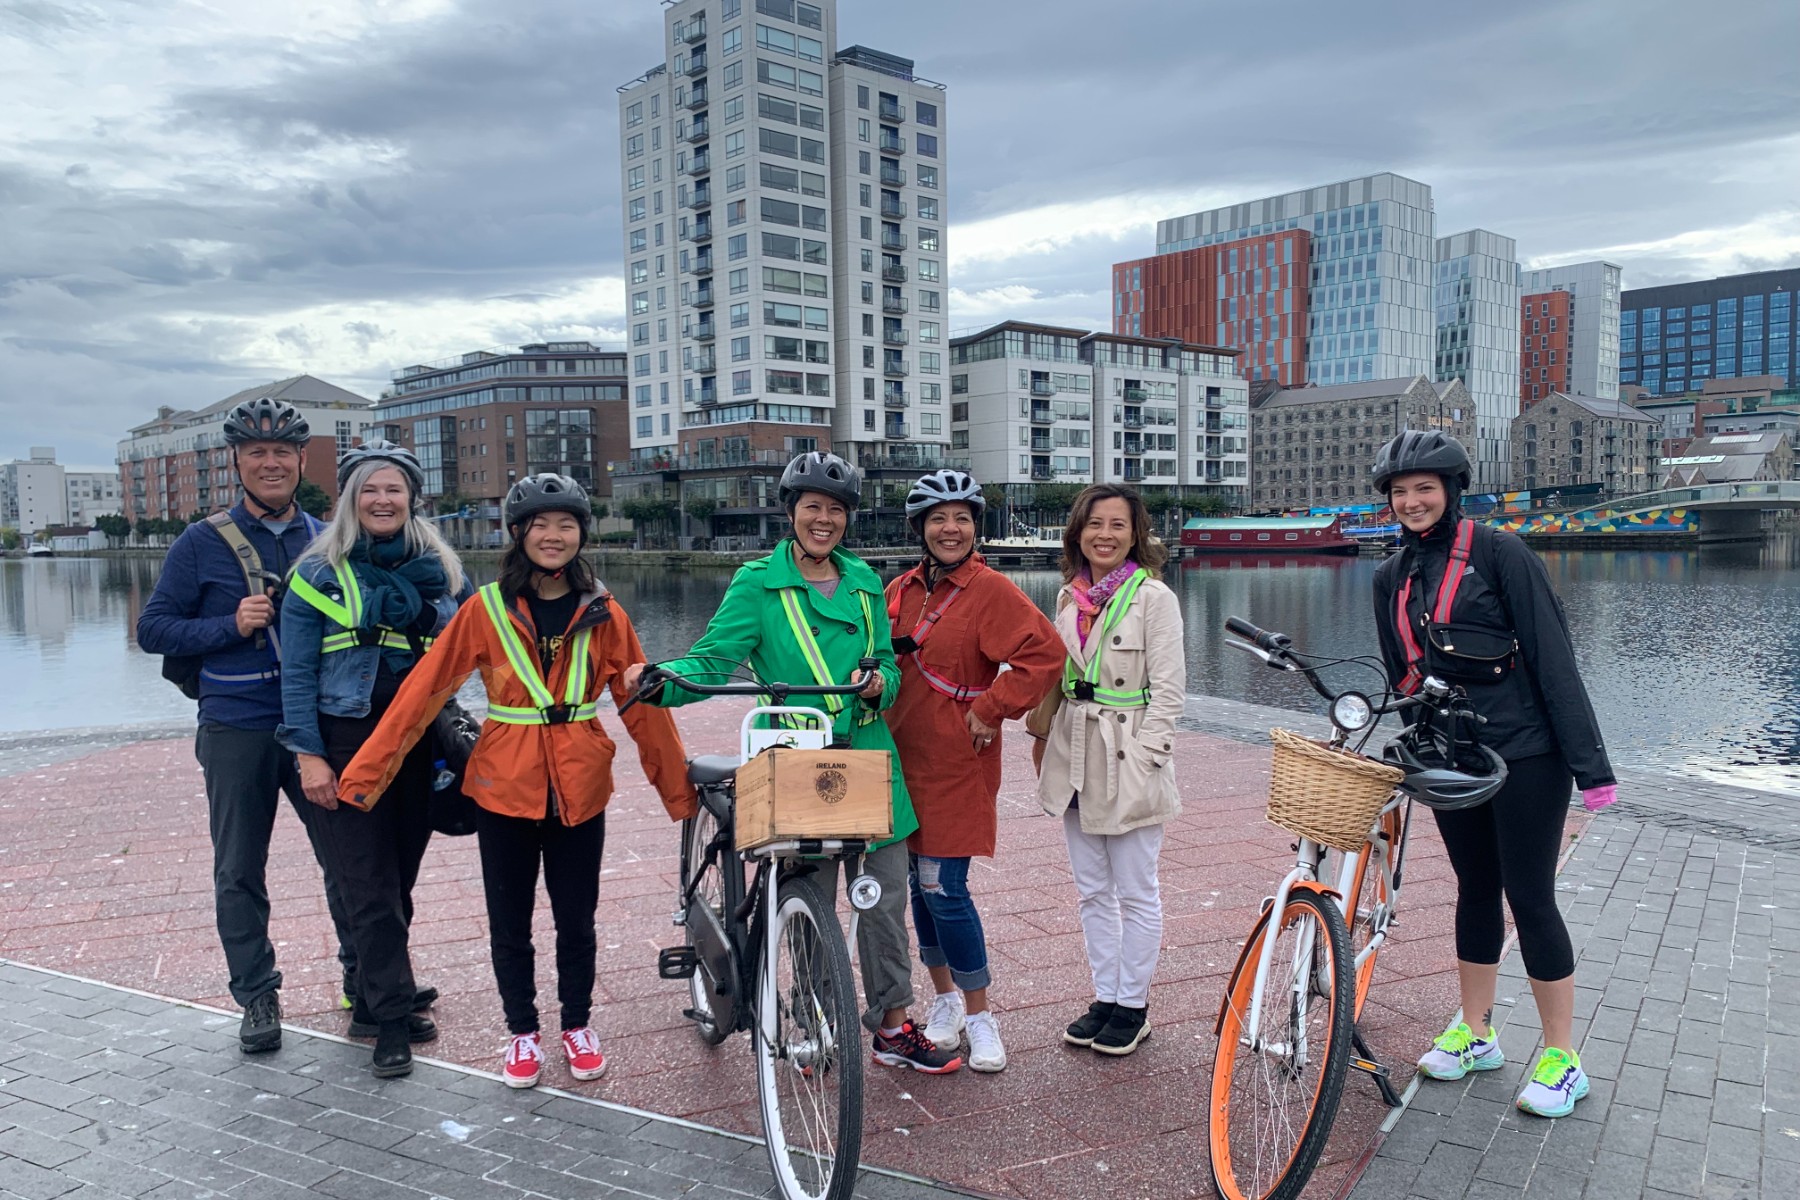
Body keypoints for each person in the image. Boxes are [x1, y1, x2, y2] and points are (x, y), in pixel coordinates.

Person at [339, 472, 695, 1088]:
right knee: (510, 920)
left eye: (566, 524)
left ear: (582, 534)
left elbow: (641, 704)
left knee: (576, 917)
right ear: (518, 533)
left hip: (581, 788)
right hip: (503, 786)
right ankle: (522, 1032)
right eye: (540, 525)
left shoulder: (605, 611)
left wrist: (678, 790)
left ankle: (577, 1025)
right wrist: (365, 776)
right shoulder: (485, 609)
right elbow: (424, 694)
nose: (553, 536)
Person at [623, 450, 961, 1074]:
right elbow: (714, 659)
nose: (824, 519)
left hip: (867, 754)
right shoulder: (758, 583)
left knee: (885, 901)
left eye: (836, 509)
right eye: (813, 507)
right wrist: (661, 678)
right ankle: (813, 1020)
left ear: (847, 518)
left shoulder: (863, 582)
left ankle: (890, 1023)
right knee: (808, 901)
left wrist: (877, 684)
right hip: (797, 756)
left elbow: (887, 663)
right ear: (791, 513)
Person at [1370, 431, 1615, 1119]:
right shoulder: (1389, 575)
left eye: (1425, 488)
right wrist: (1407, 753)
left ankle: (1563, 1057)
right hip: (1452, 758)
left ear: (1451, 490)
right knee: (1475, 888)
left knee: (1530, 896)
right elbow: (1403, 677)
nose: (1412, 501)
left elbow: (1552, 655)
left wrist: (1589, 765)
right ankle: (1477, 1033)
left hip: (1528, 754)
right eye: (1400, 491)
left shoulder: (1498, 552)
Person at [136, 397, 362, 1054]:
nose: (270, 463)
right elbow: (153, 629)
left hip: (313, 729)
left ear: (300, 461)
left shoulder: (328, 539)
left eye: (282, 452)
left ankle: (364, 977)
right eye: (257, 452)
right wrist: (228, 624)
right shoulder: (200, 541)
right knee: (239, 867)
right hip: (236, 726)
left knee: (348, 858)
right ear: (236, 460)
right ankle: (257, 993)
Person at [276, 441, 470, 1077]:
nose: (382, 500)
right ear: (350, 502)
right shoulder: (317, 575)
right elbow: (296, 676)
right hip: (344, 743)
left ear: (413, 498)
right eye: (369, 490)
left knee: (399, 880)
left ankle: (369, 993)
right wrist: (309, 757)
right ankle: (388, 1019)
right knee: (368, 884)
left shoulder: (444, 573)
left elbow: (481, 650)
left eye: (394, 489)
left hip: (417, 745)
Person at [883, 469, 1063, 1072]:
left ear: (975, 526)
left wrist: (991, 708)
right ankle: (944, 1003)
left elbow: (1045, 656)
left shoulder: (990, 590)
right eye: (938, 518)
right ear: (920, 528)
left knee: (945, 889)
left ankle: (982, 1017)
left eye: (962, 517)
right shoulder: (899, 590)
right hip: (898, 757)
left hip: (957, 760)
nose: (950, 528)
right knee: (917, 886)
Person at [1028, 484, 1184, 1057]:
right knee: (1093, 891)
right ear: (1078, 533)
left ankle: (1134, 1005)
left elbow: (1169, 693)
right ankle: (1106, 997)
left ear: (1135, 534)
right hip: (1075, 755)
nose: (1106, 535)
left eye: (1118, 525)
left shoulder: (1153, 598)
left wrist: (1147, 759)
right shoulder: (1071, 597)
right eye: (1095, 524)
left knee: (1137, 890)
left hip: (1128, 756)